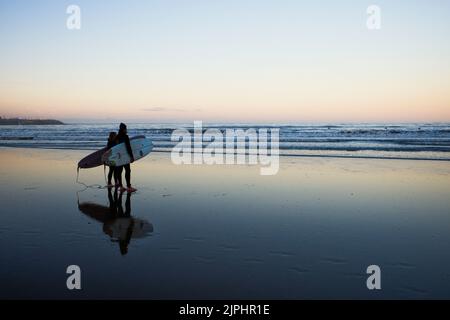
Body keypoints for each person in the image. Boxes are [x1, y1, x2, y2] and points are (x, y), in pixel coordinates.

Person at [114, 123, 136, 193]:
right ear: (123, 129)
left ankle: (121, 186)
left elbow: (115, 148)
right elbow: (128, 147)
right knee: (128, 171)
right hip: (125, 156)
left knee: (119, 171)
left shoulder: (116, 137)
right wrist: (131, 156)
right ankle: (129, 187)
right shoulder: (125, 137)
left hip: (118, 156)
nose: (126, 130)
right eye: (126, 129)